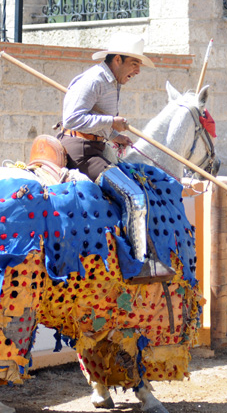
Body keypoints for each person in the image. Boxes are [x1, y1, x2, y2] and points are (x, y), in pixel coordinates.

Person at [57, 32, 174, 284]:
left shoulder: (111, 82)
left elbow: (91, 120)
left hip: (96, 147)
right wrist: (112, 122)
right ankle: (136, 265)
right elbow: (72, 119)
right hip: (81, 151)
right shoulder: (94, 80)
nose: (138, 71)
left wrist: (112, 135)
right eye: (134, 64)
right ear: (118, 59)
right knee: (134, 196)